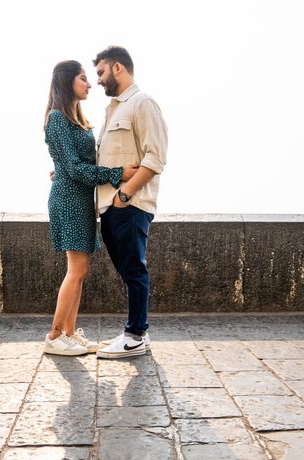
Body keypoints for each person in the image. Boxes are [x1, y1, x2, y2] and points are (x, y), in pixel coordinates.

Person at [43, 60, 138, 356]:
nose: (89, 84)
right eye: (83, 78)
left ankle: (69, 333)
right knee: (77, 269)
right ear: (67, 82)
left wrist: (63, 168)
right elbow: (72, 167)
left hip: (81, 198)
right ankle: (55, 336)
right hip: (69, 199)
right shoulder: (58, 118)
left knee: (81, 271)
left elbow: (71, 163)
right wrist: (116, 173)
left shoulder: (74, 119)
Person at [92, 46, 168, 359]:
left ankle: (135, 335)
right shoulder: (113, 109)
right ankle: (136, 332)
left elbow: (156, 157)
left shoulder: (142, 103)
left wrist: (125, 195)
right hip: (111, 207)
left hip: (131, 206)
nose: (98, 80)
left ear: (118, 68)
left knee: (135, 271)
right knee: (128, 272)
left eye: (100, 72)